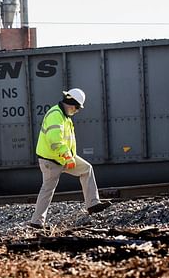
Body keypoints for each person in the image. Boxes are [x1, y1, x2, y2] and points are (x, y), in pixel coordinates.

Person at [29, 88, 111, 229]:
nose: (77, 111)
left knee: (86, 169)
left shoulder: (64, 116)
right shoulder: (56, 115)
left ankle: (92, 204)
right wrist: (67, 156)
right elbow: (55, 141)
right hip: (52, 160)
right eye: (77, 108)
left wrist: (68, 157)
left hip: (63, 158)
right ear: (73, 105)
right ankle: (36, 222)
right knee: (48, 189)